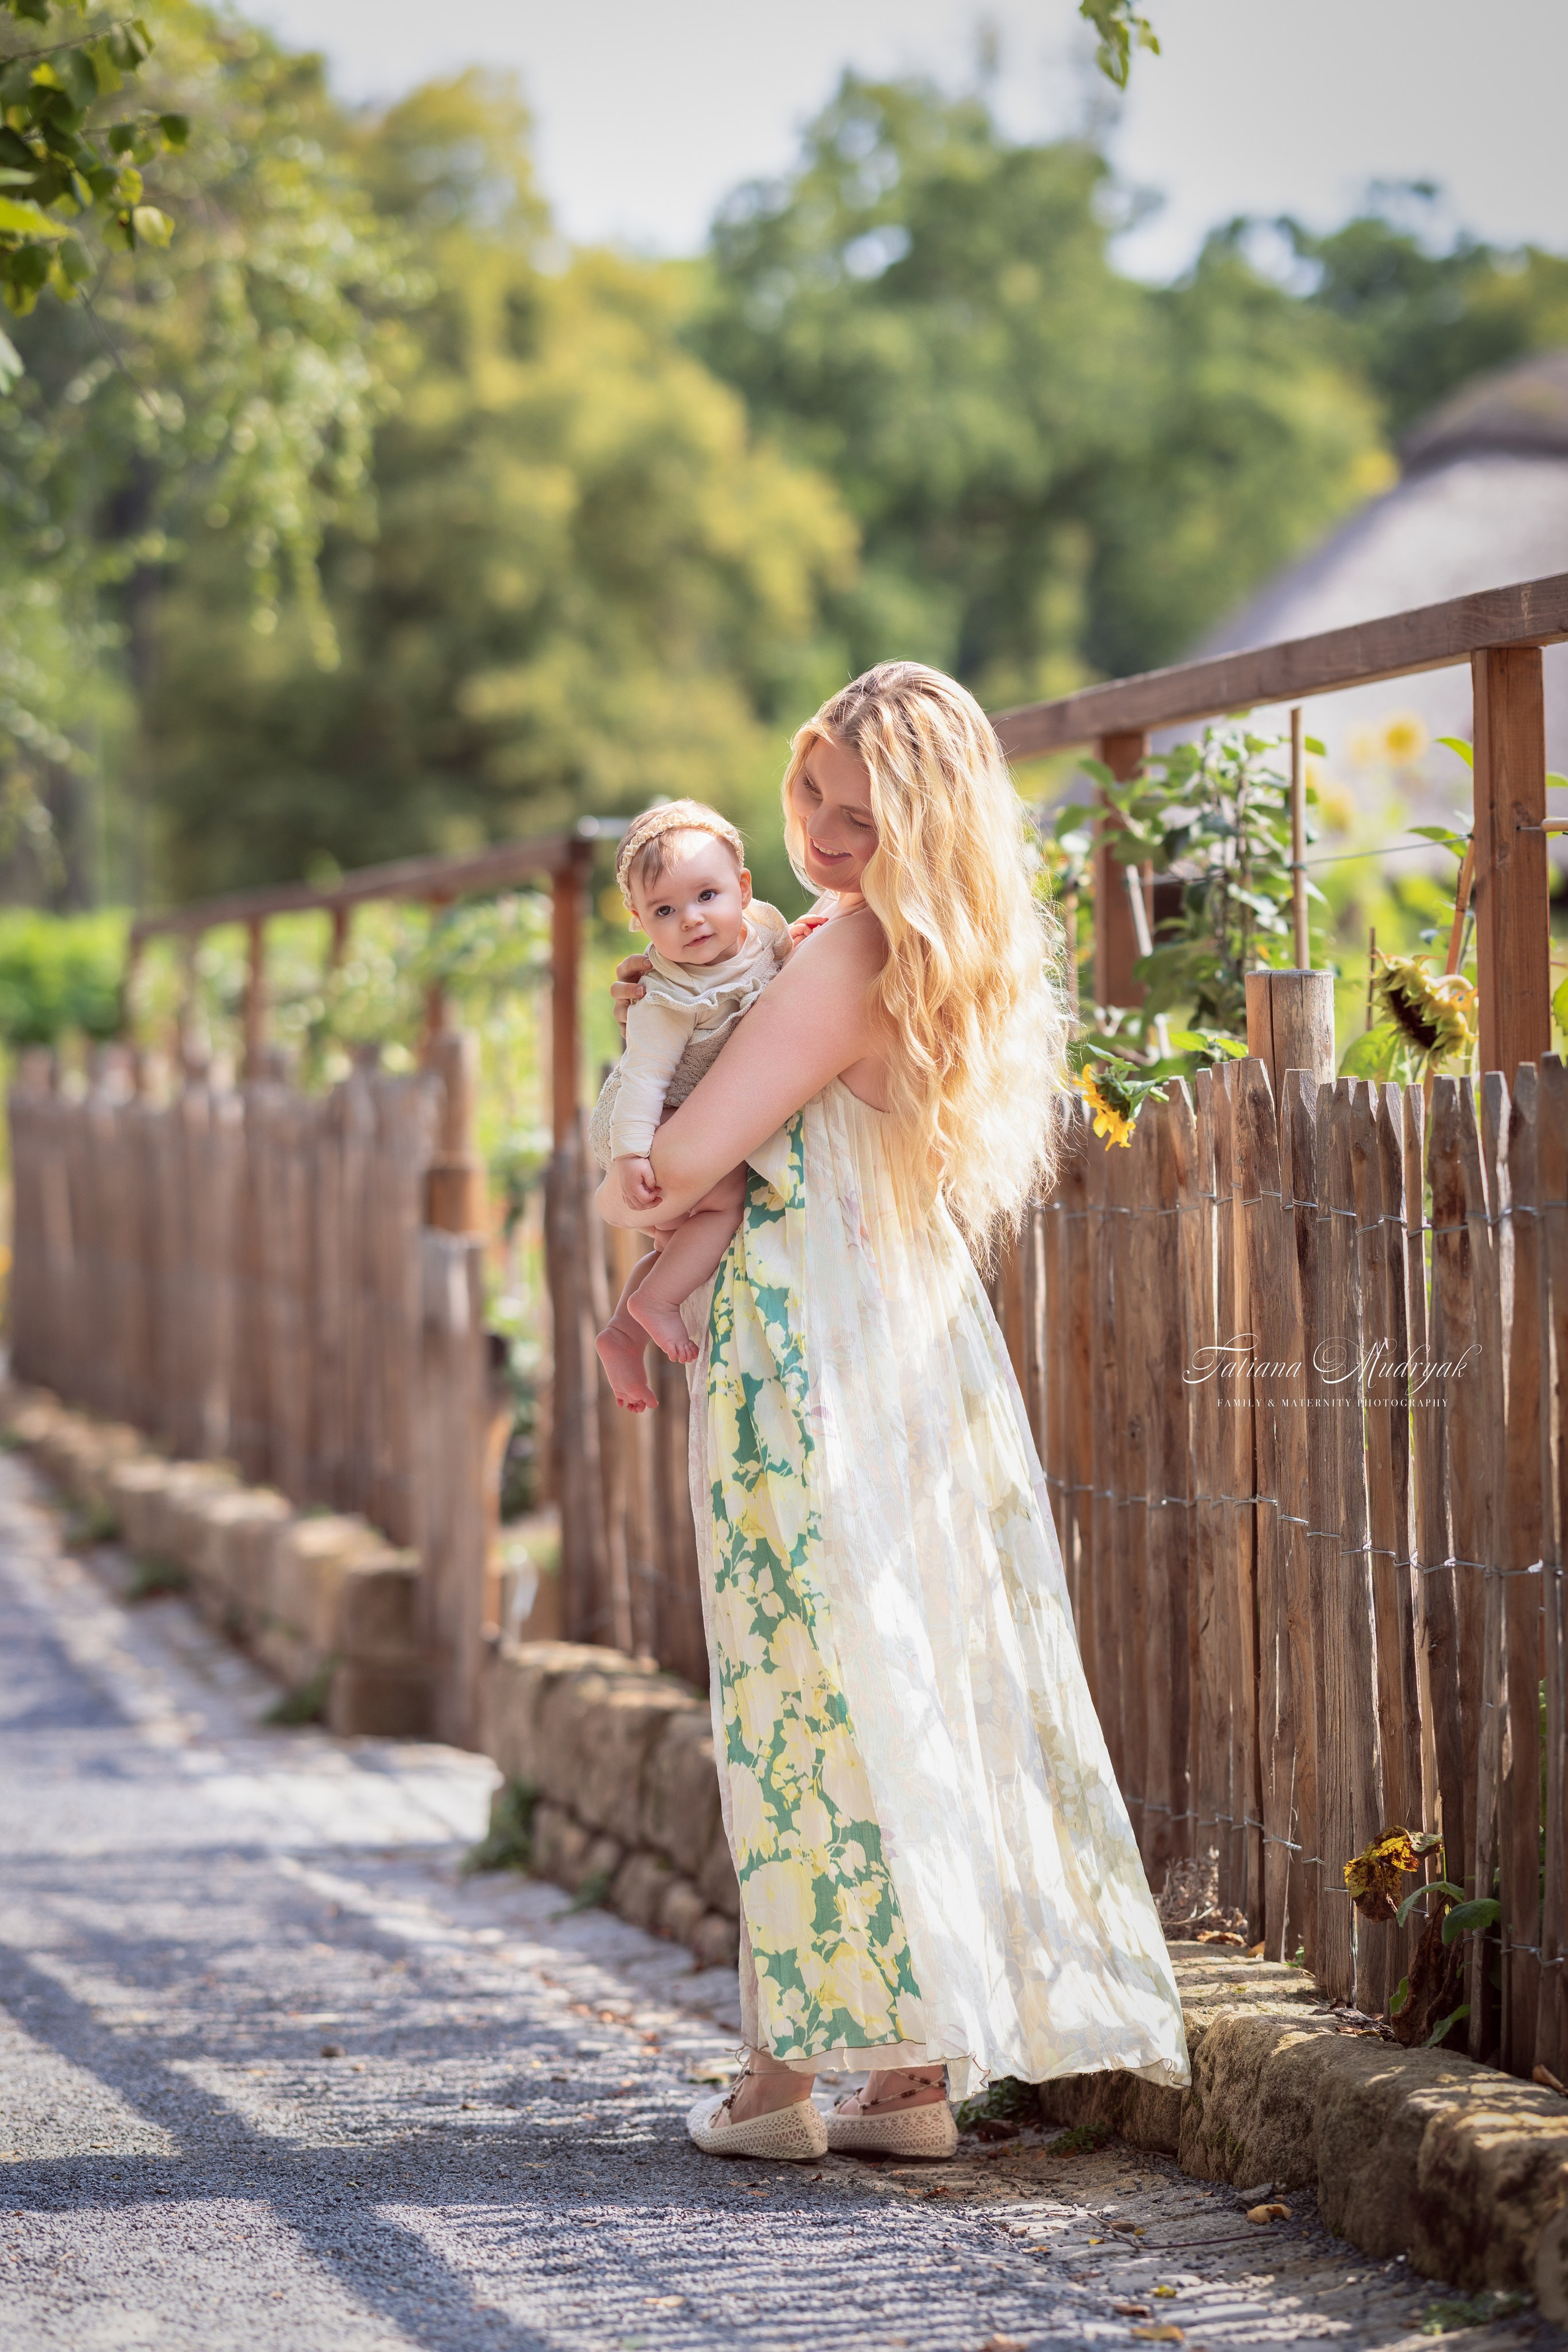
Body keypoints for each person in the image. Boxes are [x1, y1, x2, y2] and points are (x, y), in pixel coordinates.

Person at [598, 663, 1189, 2163]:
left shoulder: (841, 951)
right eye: (805, 793)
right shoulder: (934, 953)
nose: (817, 830)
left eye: (855, 810)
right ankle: (908, 2082)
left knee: (800, 1684)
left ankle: (781, 2080)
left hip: (806, 1349)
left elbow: (670, 1169)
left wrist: (635, 1141)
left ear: (918, 820)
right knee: (903, 1660)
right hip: (914, 1343)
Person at [591, 801, 793, 1415]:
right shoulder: (667, 997)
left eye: (707, 895)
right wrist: (629, 1155)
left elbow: (786, 959)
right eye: (665, 911)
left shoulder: (762, 934)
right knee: (723, 1198)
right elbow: (645, 1077)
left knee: (676, 1243)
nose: (692, 920)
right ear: (639, 921)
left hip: (677, 1113)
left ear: (744, 889)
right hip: (646, 1118)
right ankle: (655, 1305)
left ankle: (623, 1333)